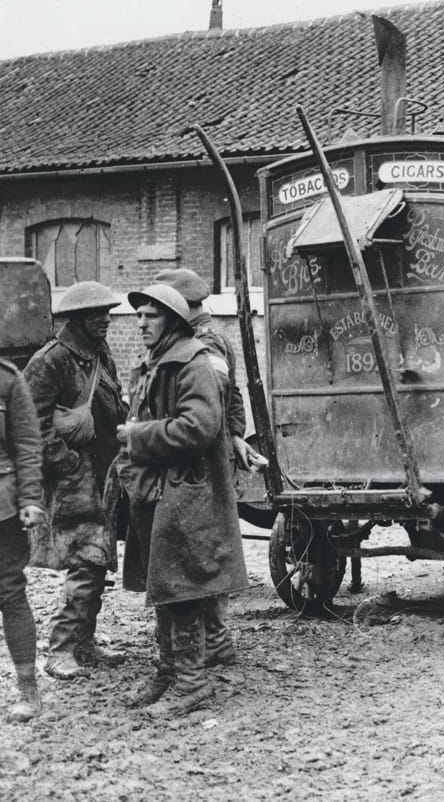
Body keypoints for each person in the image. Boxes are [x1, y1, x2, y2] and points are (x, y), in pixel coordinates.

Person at [118, 284, 249, 715]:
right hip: (157, 492)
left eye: (150, 316)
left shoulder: (192, 363)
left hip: (186, 493)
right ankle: (168, 671)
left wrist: (140, 437)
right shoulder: (155, 363)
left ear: (172, 319)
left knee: (185, 589)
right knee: (164, 587)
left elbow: (199, 427)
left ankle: (192, 684)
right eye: (138, 316)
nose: (141, 323)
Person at [155, 268, 265, 667]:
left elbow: (219, 395)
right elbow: (234, 399)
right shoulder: (210, 340)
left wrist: (229, 436)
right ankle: (213, 640)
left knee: (202, 552)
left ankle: (213, 641)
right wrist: (237, 434)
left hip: (200, 462)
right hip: (210, 455)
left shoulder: (203, 346)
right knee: (206, 549)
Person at [23, 281, 128, 680]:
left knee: (96, 562)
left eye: (106, 312)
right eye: (97, 313)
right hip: (72, 479)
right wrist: (65, 463)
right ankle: (61, 649)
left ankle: (84, 642)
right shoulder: (51, 360)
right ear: (77, 319)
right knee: (86, 561)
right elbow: (28, 425)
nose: (105, 319)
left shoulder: (99, 354)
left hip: (101, 476)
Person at [0, 361, 47, 722]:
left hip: (1, 504)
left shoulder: (7, 379)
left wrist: (30, 497)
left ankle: (28, 692)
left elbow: (28, 443)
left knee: (10, 593)